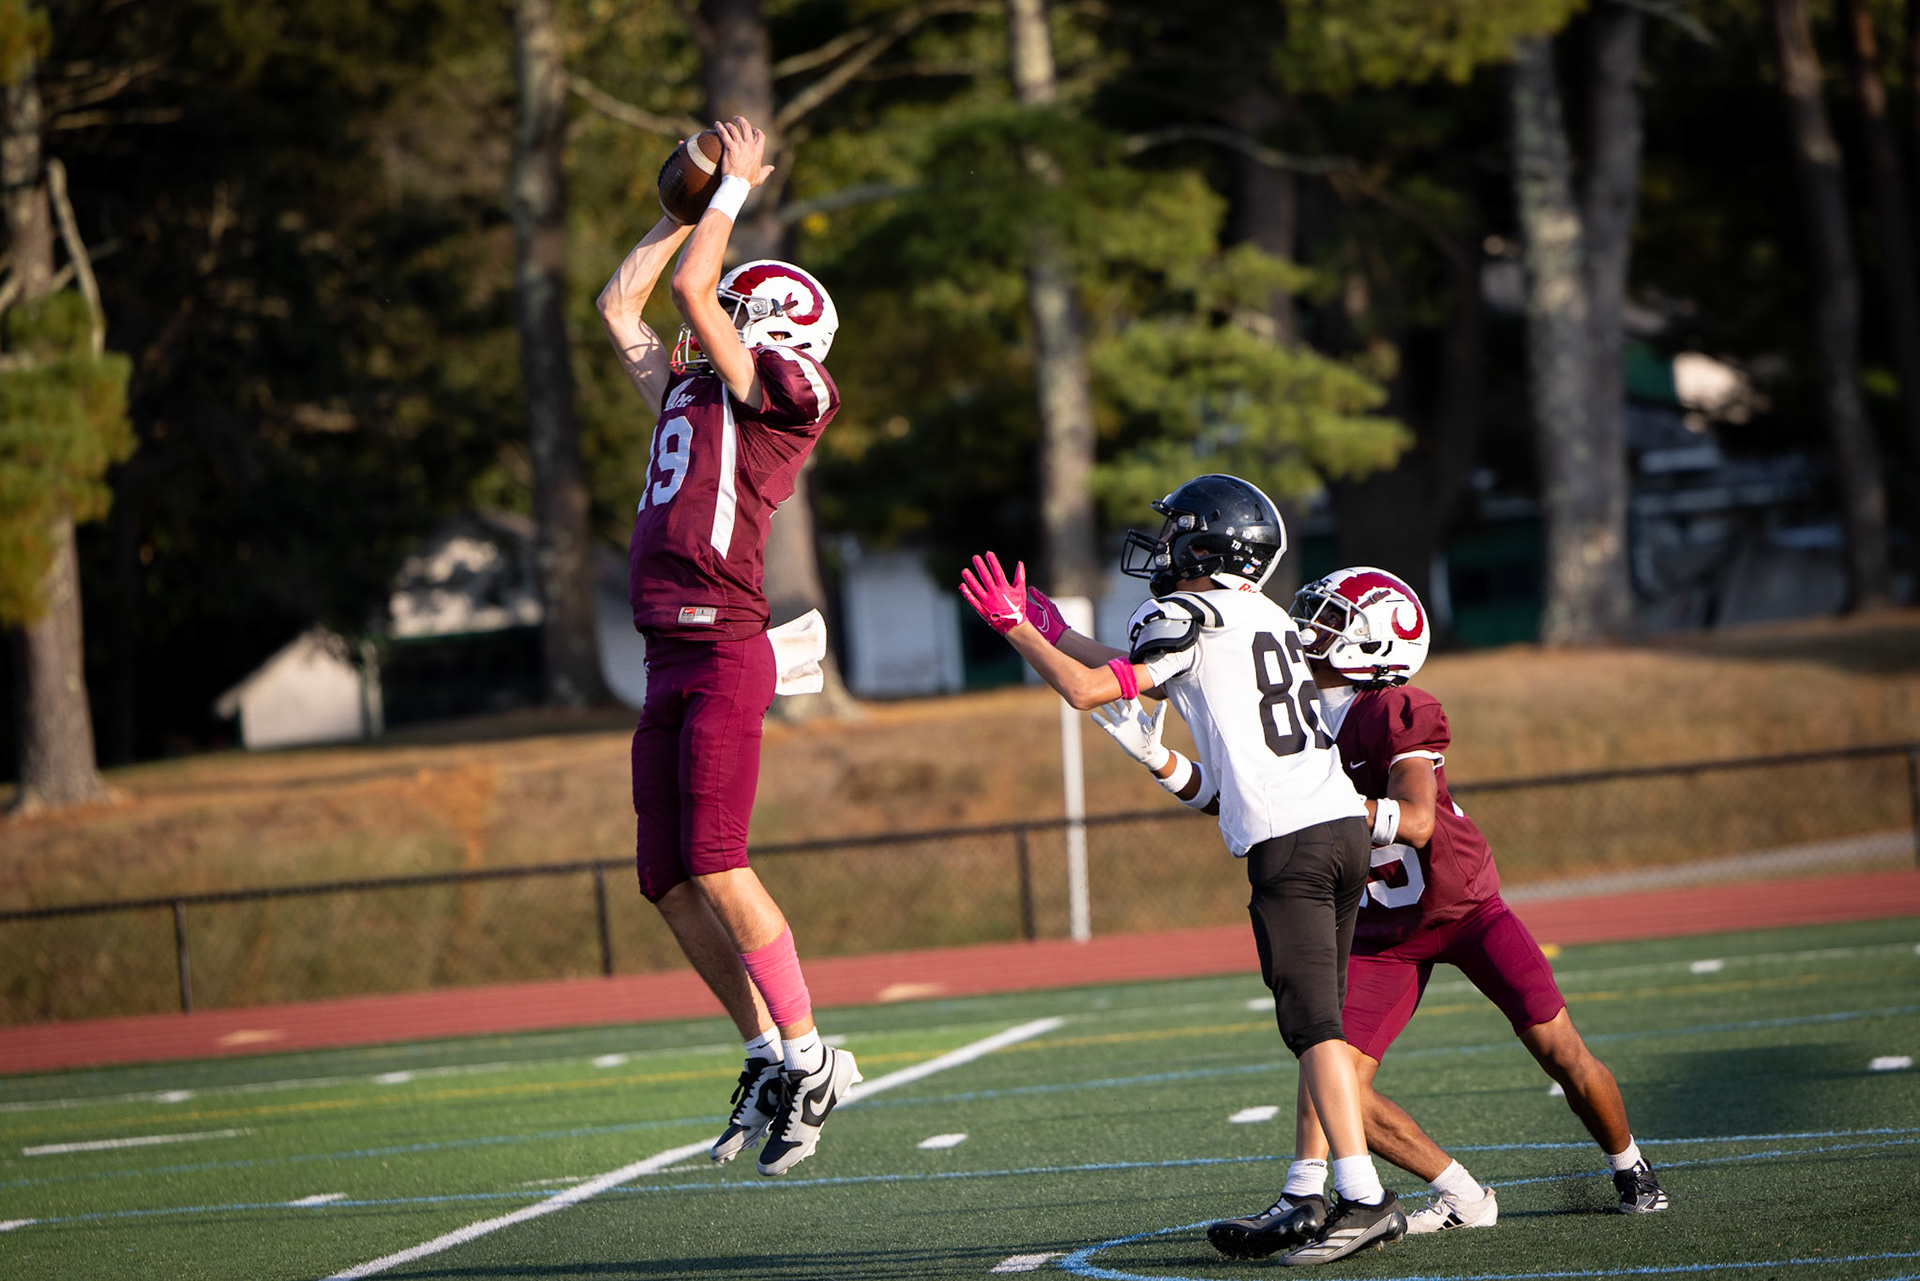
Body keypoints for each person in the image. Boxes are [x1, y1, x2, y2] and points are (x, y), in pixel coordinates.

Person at [959, 474, 1407, 1266]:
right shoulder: (1260, 616)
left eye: (1178, 531)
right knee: (1321, 1027)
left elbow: (1092, 689)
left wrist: (1018, 633)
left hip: (1291, 841)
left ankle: (1365, 1198)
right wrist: (1056, 627)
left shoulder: (1183, 612)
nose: (1163, 545)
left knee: (1315, 1027)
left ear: (1211, 544)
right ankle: (1306, 1191)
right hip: (1341, 826)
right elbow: (1147, 667)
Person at [595, 115, 858, 1178]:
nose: (710, 325)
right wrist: (673, 213)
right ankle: (761, 1049)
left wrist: (729, 194)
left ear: (772, 328)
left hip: (723, 642)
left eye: (737, 313)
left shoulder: (790, 396)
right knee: (666, 876)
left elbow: (699, 295)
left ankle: (811, 1054)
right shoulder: (694, 388)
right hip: (666, 649)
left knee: (717, 856)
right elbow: (622, 306)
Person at [1280, 566, 1670, 1228]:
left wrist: (1323, 804)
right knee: (1334, 1082)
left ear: (1373, 643)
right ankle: (1462, 1192)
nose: (1309, 628)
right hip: (1384, 930)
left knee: (1562, 1051)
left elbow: (1418, 817)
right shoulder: (1292, 715)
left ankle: (1629, 1161)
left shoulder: (1396, 708)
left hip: (1466, 909)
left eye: (1331, 619)